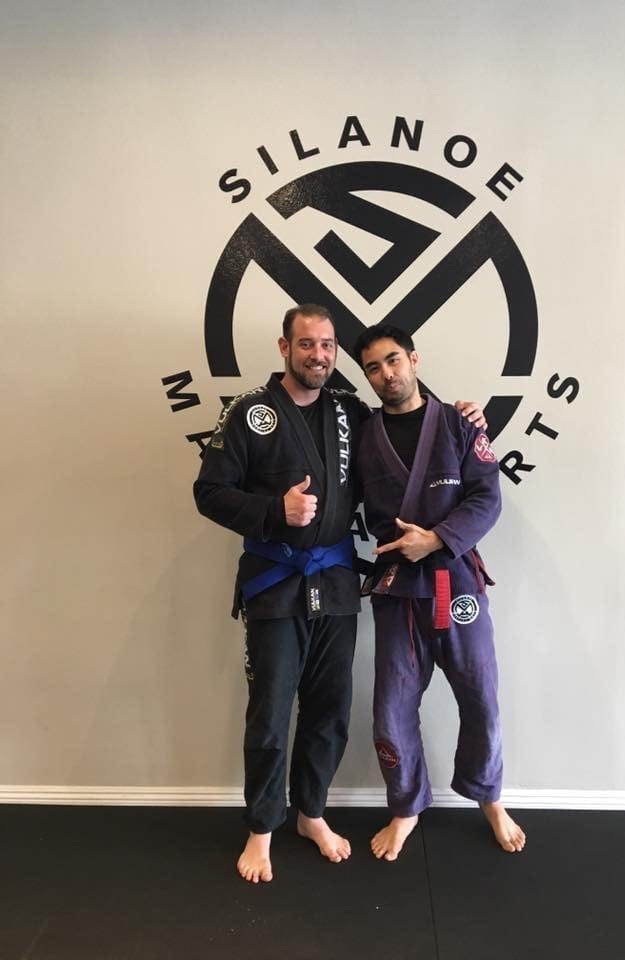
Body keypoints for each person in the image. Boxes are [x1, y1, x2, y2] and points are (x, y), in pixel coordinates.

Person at [194, 304, 486, 884]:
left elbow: (409, 419)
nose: (319, 355)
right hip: (274, 584)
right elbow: (208, 491)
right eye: (307, 345)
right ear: (284, 348)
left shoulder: (351, 412)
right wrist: (272, 511)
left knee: (329, 712)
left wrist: (463, 414)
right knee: (272, 712)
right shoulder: (248, 411)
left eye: (327, 346)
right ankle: (261, 827)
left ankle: (311, 812)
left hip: (337, 586)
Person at [353, 323, 526, 861]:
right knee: (391, 709)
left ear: (414, 359)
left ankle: (489, 797)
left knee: (481, 698)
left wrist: (436, 539)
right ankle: (406, 806)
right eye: (374, 368)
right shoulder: (363, 435)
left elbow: (486, 498)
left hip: (457, 581)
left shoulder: (457, 423)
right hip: (398, 588)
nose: (387, 373)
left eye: (393, 360)